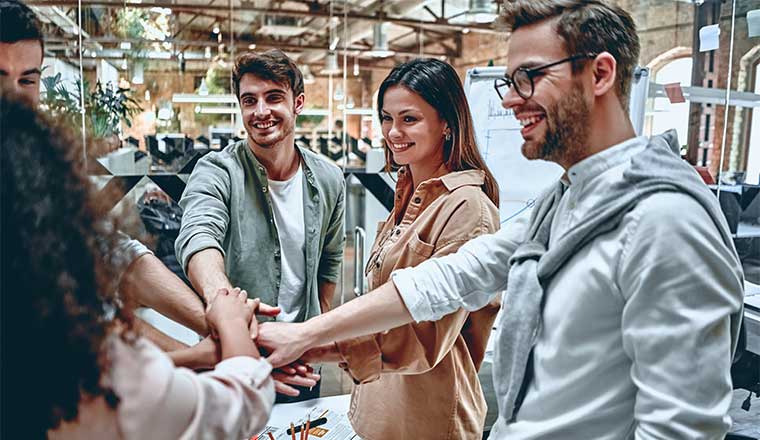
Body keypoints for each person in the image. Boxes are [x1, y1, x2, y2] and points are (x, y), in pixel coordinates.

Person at [257, 1, 745, 438]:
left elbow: (681, 429)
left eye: (529, 77)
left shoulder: (665, 221)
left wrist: (314, 338)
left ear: (600, 75)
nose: (511, 99)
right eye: (510, 82)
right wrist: (310, 337)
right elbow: (447, 278)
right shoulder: (571, 200)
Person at [0, 94, 274, 439]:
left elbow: (122, 257)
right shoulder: (88, 356)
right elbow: (237, 404)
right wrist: (232, 323)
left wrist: (193, 354)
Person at [301, 59, 501, 439]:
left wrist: (319, 343)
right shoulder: (408, 195)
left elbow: (427, 335)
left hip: (428, 415)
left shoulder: (467, 208)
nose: (393, 132)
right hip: (377, 405)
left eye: (409, 119)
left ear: (447, 123)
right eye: (387, 118)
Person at [0, 0, 209, 350]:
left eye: (28, 80)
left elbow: (113, 255)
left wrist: (218, 326)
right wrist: (206, 355)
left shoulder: (36, 166)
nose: (13, 96)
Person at [175, 49, 346, 400]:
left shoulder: (329, 179)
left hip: (301, 362)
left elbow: (330, 260)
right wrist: (229, 313)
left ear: (297, 103)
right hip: (232, 357)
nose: (261, 112)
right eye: (249, 100)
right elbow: (198, 235)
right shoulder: (217, 170)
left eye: (273, 98)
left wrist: (313, 330)